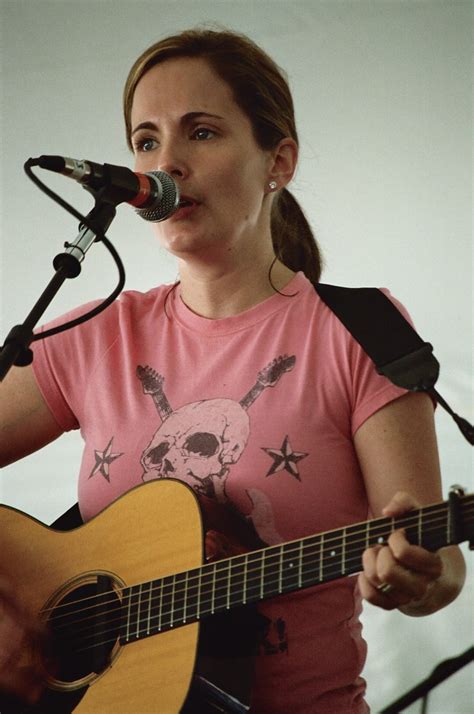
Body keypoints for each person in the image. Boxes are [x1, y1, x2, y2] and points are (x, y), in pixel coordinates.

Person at [0, 28, 466, 713]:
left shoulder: (358, 330)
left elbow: (441, 556)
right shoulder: (94, 333)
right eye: (147, 141)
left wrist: (422, 578)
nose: (168, 164)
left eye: (203, 133)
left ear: (278, 159)